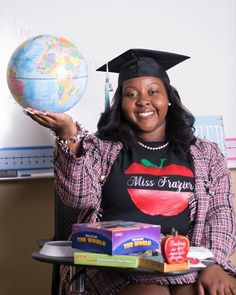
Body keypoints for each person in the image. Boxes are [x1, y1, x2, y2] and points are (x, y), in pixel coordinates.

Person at [25, 48, 236, 295]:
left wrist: (215, 262)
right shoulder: (100, 149)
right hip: (116, 267)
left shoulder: (206, 154)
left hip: (183, 263)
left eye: (153, 92)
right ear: (121, 103)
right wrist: (68, 135)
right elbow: (77, 197)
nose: (143, 100)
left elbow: (221, 212)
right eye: (131, 94)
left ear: (168, 97)